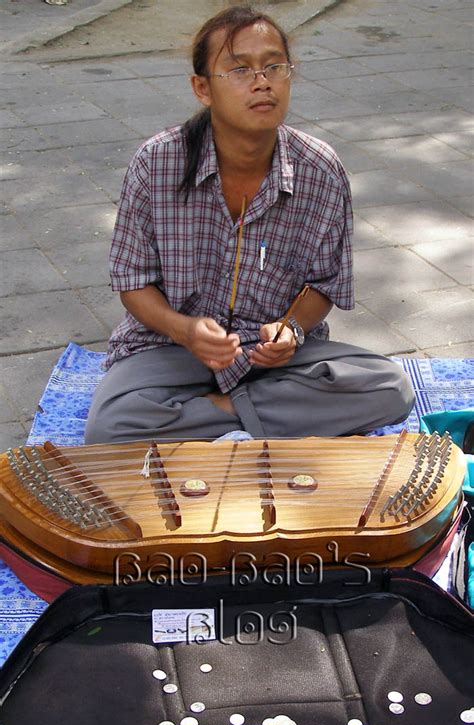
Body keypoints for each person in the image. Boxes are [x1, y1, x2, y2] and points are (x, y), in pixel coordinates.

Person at [85, 5, 414, 444]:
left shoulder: (320, 168)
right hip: (174, 350)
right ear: (202, 88)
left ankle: (213, 414)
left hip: (273, 360)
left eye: (274, 65)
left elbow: (324, 285)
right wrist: (185, 330)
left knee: (389, 387)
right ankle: (269, 416)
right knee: (109, 425)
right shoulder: (157, 162)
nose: (262, 81)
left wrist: (290, 329)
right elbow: (133, 282)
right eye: (239, 69)